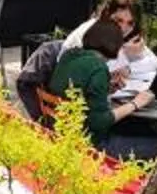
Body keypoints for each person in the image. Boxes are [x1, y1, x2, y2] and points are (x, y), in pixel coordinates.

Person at [46, 16, 131, 157]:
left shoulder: (69, 55)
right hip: (89, 145)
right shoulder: (98, 67)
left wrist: (106, 88)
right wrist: (136, 103)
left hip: (61, 133)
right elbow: (99, 122)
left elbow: (79, 89)